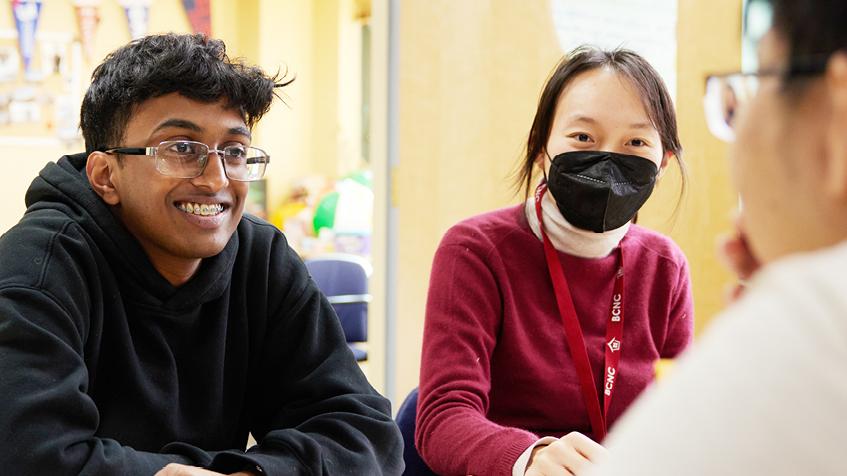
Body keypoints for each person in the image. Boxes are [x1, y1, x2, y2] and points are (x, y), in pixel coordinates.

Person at [0, 33, 403, 476]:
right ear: (105, 175)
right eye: (181, 149)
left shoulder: (259, 257)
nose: (215, 180)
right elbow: (31, 457)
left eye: (233, 151)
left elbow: (367, 432)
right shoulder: (35, 269)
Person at [586, 1, 847, 475]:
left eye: (752, 84)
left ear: (839, 114)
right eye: (583, 138)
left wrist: (776, 329)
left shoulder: (817, 320)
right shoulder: (478, 246)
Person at [416, 46, 694, 476]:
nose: (607, 159)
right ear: (541, 148)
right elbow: (442, 417)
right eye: (583, 137)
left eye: (636, 142)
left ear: (663, 163)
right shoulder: (475, 251)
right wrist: (531, 460)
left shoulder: (666, 266)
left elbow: (679, 415)